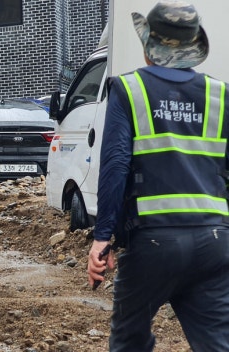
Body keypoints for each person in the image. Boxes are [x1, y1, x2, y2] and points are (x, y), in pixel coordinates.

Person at [86, 1, 229, 350]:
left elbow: (116, 166)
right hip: (214, 241)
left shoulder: (129, 89)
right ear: (193, 47)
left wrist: (104, 236)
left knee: (129, 339)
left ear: (149, 45)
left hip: (153, 242)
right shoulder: (220, 94)